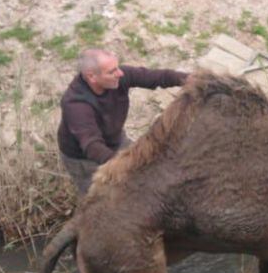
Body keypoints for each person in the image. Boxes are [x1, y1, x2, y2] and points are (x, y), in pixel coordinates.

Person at [57, 49, 188, 196]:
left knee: (143, 172)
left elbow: (158, 77)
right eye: (111, 71)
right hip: (84, 160)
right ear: (92, 76)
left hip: (116, 139)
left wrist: (193, 79)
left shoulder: (119, 77)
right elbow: (92, 145)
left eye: (117, 67)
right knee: (99, 198)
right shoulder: (76, 105)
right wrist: (125, 165)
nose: (119, 73)